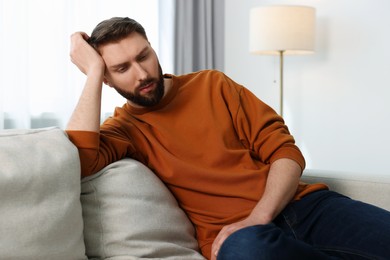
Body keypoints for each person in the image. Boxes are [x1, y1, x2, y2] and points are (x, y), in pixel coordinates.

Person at [67, 17, 390, 260]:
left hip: (303, 207)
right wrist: (93, 72)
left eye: (144, 56)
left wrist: (258, 217)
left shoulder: (212, 84)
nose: (142, 74)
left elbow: (286, 152)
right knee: (247, 250)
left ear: (152, 48)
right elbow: (79, 162)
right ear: (107, 79)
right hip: (240, 241)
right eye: (121, 68)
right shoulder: (124, 129)